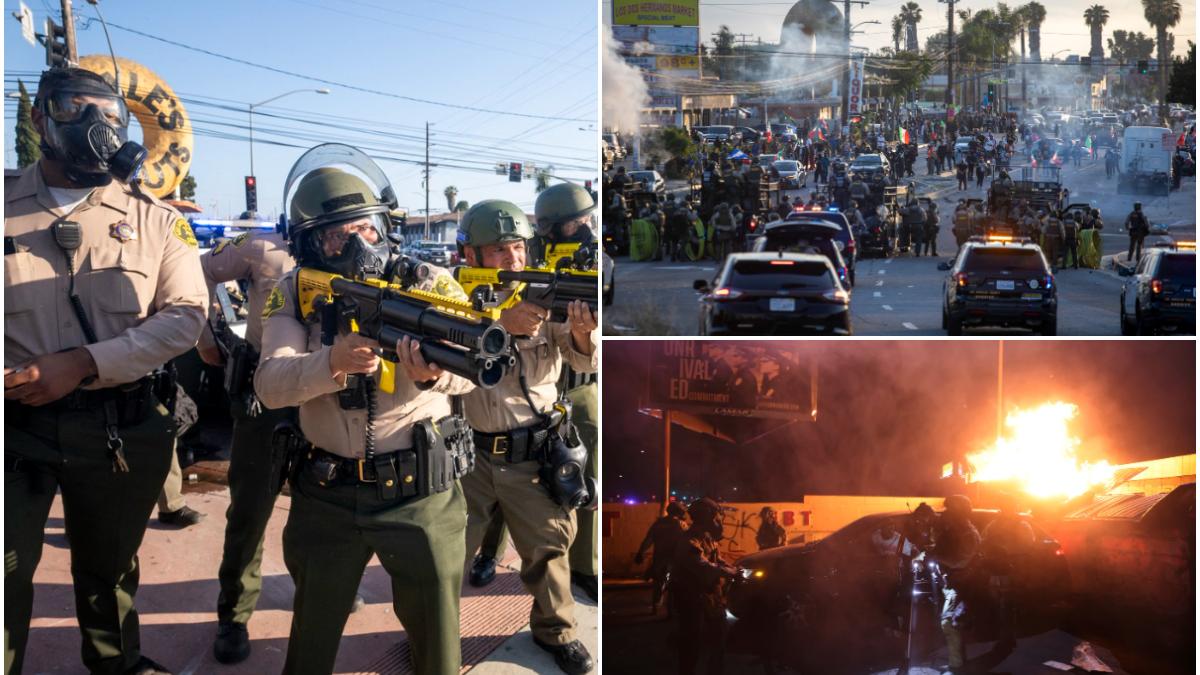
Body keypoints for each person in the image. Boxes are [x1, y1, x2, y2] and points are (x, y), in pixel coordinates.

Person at [5, 66, 208, 675]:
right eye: (76, 109)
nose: (97, 126)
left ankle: (115, 662)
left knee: (111, 564)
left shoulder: (157, 218)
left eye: (110, 116)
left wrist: (84, 363)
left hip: (121, 426)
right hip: (15, 427)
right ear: (41, 118)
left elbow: (185, 318)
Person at [255, 151, 476, 675]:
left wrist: (434, 372)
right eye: (337, 236)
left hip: (421, 495)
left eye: (367, 229)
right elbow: (269, 384)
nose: (357, 246)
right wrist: (328, 363)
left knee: (438, 643)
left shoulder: (429, 280)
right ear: (309, 244)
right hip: (327, 494)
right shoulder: (292, 292)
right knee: (311, 636)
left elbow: (469, 368)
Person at [456, 201, 598, 675]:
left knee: (547, 550)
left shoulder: (545, 289)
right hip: (468, 456)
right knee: (447, 552)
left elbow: (581, 363)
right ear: (471, 255)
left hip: (531, 452)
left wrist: (581, 334)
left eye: (518, 247)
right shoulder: (449, 294)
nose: (514, 259)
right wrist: (501, 324)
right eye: (499, 250)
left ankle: (556, 632)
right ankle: (434, 630)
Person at [195, 225, 297, 664]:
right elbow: (197, 269)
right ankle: (234, 613)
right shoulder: (262, 245)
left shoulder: (366, 249)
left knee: (323, 506)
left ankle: (319, 584)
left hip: (329, 394)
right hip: (264, 394)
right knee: (251, 509)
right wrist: (206, 335)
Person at [671, 498, 738, 675]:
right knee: (691, 644)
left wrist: (733, 568)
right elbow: (701, 565)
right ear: (705, 518)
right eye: (716, 518)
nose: (719, 522)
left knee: (719, 641)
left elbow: (717, 560)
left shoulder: (707, 538)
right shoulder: (689, 540)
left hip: (711, 599)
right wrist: (727, 572)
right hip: (692, 600)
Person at [929, 495, 980, 675]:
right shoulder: (953, 531)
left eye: (950, 510)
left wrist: (938, 557)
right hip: (951, 582)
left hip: (961, 584)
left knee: (949, 622)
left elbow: (961, 561)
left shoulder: (967, 533)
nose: (946, 514)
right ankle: (957, 662)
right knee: (952, 623)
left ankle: (956, 667)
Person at [981, 496, 1035, 655]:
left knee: (1009, 603)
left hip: (1012, 568)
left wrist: (1006, 551)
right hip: (999, 568)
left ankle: (1008, 638)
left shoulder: (1021, 525)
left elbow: (1027, 544)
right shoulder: (995, 525)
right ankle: (1005, 637)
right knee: (1001, 603)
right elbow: (984, 542)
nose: (1005, 511)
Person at [635, 501, 689, 614]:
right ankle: (674, 607)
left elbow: (648, 540)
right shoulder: (681, 524)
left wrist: (640, 553)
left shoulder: (658, 524)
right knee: (679, 582)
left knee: (658, 583)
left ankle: (656, 605)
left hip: (659, 559)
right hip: (676, 560)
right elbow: (689, 542)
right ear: (680, 512)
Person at [531, 182, 596, 266]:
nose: (587, 228)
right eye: (576, 223)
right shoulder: (530, 255)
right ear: (551, 232)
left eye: (590, 220)